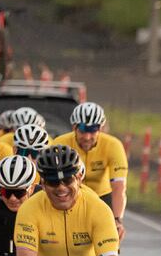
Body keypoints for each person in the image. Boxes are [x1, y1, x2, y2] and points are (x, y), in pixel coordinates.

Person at [52, 102, 129, 242]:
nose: (87, 137)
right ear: (74, 127)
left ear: (101, 128)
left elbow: (119, 187)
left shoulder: (113, 145)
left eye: (93, 130)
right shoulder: (60, 143)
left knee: (109, 240)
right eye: (82, 129)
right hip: (70, 198)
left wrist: (117, 219)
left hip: (102, 198)